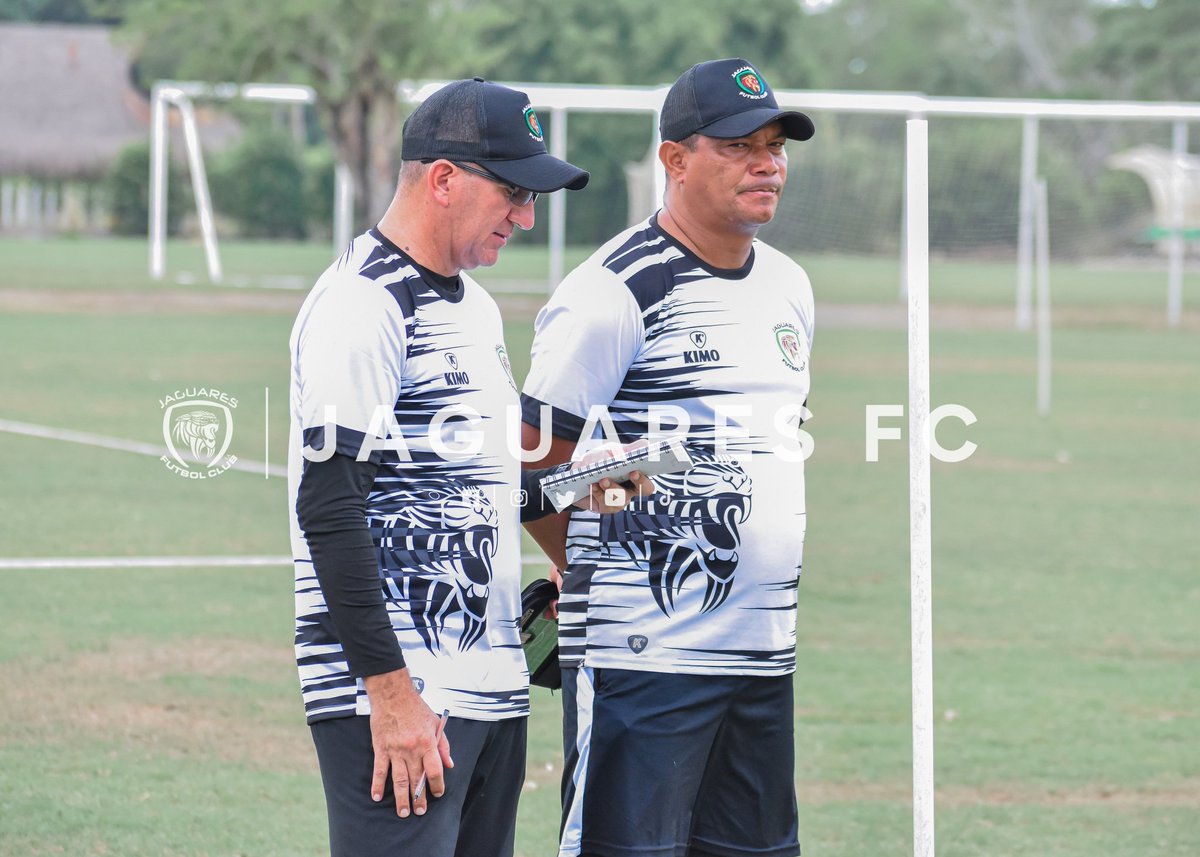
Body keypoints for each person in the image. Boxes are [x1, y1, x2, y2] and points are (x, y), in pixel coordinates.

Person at [286, 77, 650, 857]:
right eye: (514, 193)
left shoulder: (473, 306)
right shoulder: (363, 304)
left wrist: (612, 489)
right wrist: (390, 695)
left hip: (489, 686)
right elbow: (329, 504)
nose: (526, 216)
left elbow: (491, 481)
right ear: (444, 179)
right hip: (399, 698)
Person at [520, 58, 817, 857]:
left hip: (761, 657)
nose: (767, 163)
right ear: (675, 160)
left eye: (775, 145)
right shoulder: (613, 290)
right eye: (739, 146)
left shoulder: (791, 287)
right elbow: (531, 465)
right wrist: (574, 556)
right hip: (640, 656)